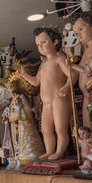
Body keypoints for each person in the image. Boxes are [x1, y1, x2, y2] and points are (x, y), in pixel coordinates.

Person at [18, 27, 74, 161]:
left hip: (58, 99)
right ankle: (49, 151)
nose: (40, 46)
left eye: (43, 42)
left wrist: (67, 86)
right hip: (46, 102)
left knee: (60, 128)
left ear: (55, 41)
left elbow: (73, 74)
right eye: (38, 44)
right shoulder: (43, 65)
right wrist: (24, 74)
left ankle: (59, 152)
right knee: (46, 129)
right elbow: (36, 82)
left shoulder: (59, 59)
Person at [70, 11, 92, 128]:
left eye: (81, 29)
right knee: (89, 130)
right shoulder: (87, 50)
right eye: (75, 33)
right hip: (87, 96)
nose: (78, 35)